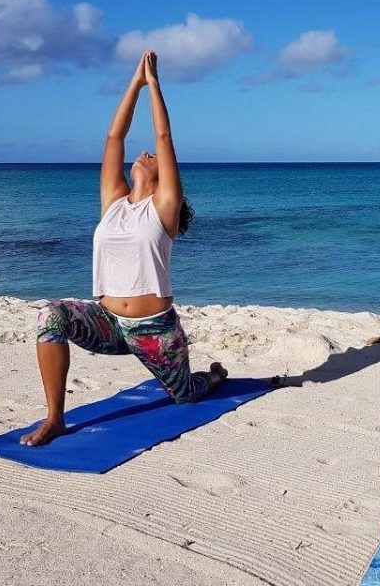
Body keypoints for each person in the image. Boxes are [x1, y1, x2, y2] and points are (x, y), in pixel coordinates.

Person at [20, 50, 227, 447]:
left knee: (185, 395)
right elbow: (114, 137)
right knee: (51, 315)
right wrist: (134, 81)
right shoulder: (113, 202)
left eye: (151, 157)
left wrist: (155, 86)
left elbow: (164, 137)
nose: (145, 153)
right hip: (108, 323)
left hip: (154, 330)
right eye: (143, 152)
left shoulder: (163, 208)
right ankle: (55, 418)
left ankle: (213, 376)